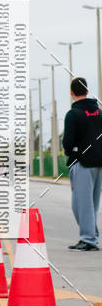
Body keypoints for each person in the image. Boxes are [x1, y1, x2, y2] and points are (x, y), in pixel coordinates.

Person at [62, 77, 102, 251]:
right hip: (99, 162)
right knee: (91, 203)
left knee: (80, 204)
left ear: (72, 92)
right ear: (87, 91)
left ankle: (89, 239)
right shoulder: (99, 112)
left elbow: (68, 143)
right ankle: (91, 236)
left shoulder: (73, 114)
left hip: (82, 163)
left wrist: (71, 152)